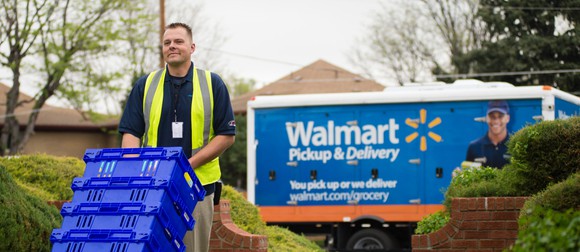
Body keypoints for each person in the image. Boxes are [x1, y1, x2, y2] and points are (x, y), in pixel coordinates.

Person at [118, 22, 236, 252]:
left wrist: (185, 167)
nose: (172, 46)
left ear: (192, 47)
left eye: (178, 41)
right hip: (152, 187)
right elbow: (131, 132)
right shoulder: (145, 85)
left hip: (197, 188)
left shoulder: (213, 83)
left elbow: (226, 135)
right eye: (167, 42)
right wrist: (135, 172)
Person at [465, 100, 511, 169]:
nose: (496, 121)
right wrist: (458, 176)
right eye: (492, 116)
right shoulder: (474, 147)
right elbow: (468, 176)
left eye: (500, 116)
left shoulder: (516, 147)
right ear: (487, 118)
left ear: (507, 118)